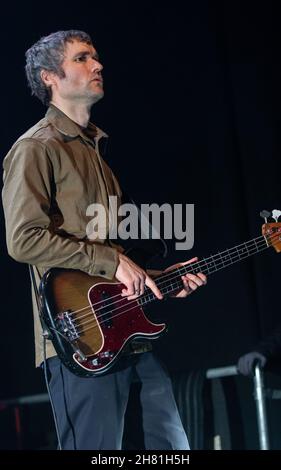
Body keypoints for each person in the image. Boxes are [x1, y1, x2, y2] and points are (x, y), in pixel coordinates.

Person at [2, 30, 207, 450]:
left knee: (173, 449)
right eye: (82, 58)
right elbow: (23, 239)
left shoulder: (96, 150)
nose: (97, 65)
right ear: (48, 77)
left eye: (95, 57)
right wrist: (112, 262)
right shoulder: (35, 148)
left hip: (129, 332)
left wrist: (157, 277)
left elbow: (110, 257)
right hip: (80, 341)